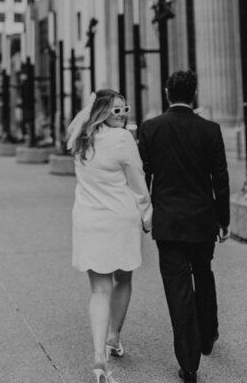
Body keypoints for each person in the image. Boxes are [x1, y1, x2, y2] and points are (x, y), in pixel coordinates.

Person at [138, 70, 230, 383]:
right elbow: (220, 178)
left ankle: (189, 363)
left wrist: (144, 213)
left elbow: (143, 177)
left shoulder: (150, 129)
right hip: (203, 219)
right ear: (194, 94)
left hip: (169, 221)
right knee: (203, 274)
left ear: (167, 93)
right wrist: (224, 219)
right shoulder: (210, 130)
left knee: (178, 288)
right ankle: (208, 335)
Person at [68, 89, 152, 383]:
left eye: (125, 108)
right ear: (103, 112)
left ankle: (99, 357)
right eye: (116, 110)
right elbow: (137, 179)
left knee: (99, 290)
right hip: (119, 217)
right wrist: (147, 213)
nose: (123, 114)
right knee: (123, 278)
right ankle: (113, 337)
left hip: (88, 220)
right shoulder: (123, 139)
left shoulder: (81, 139)